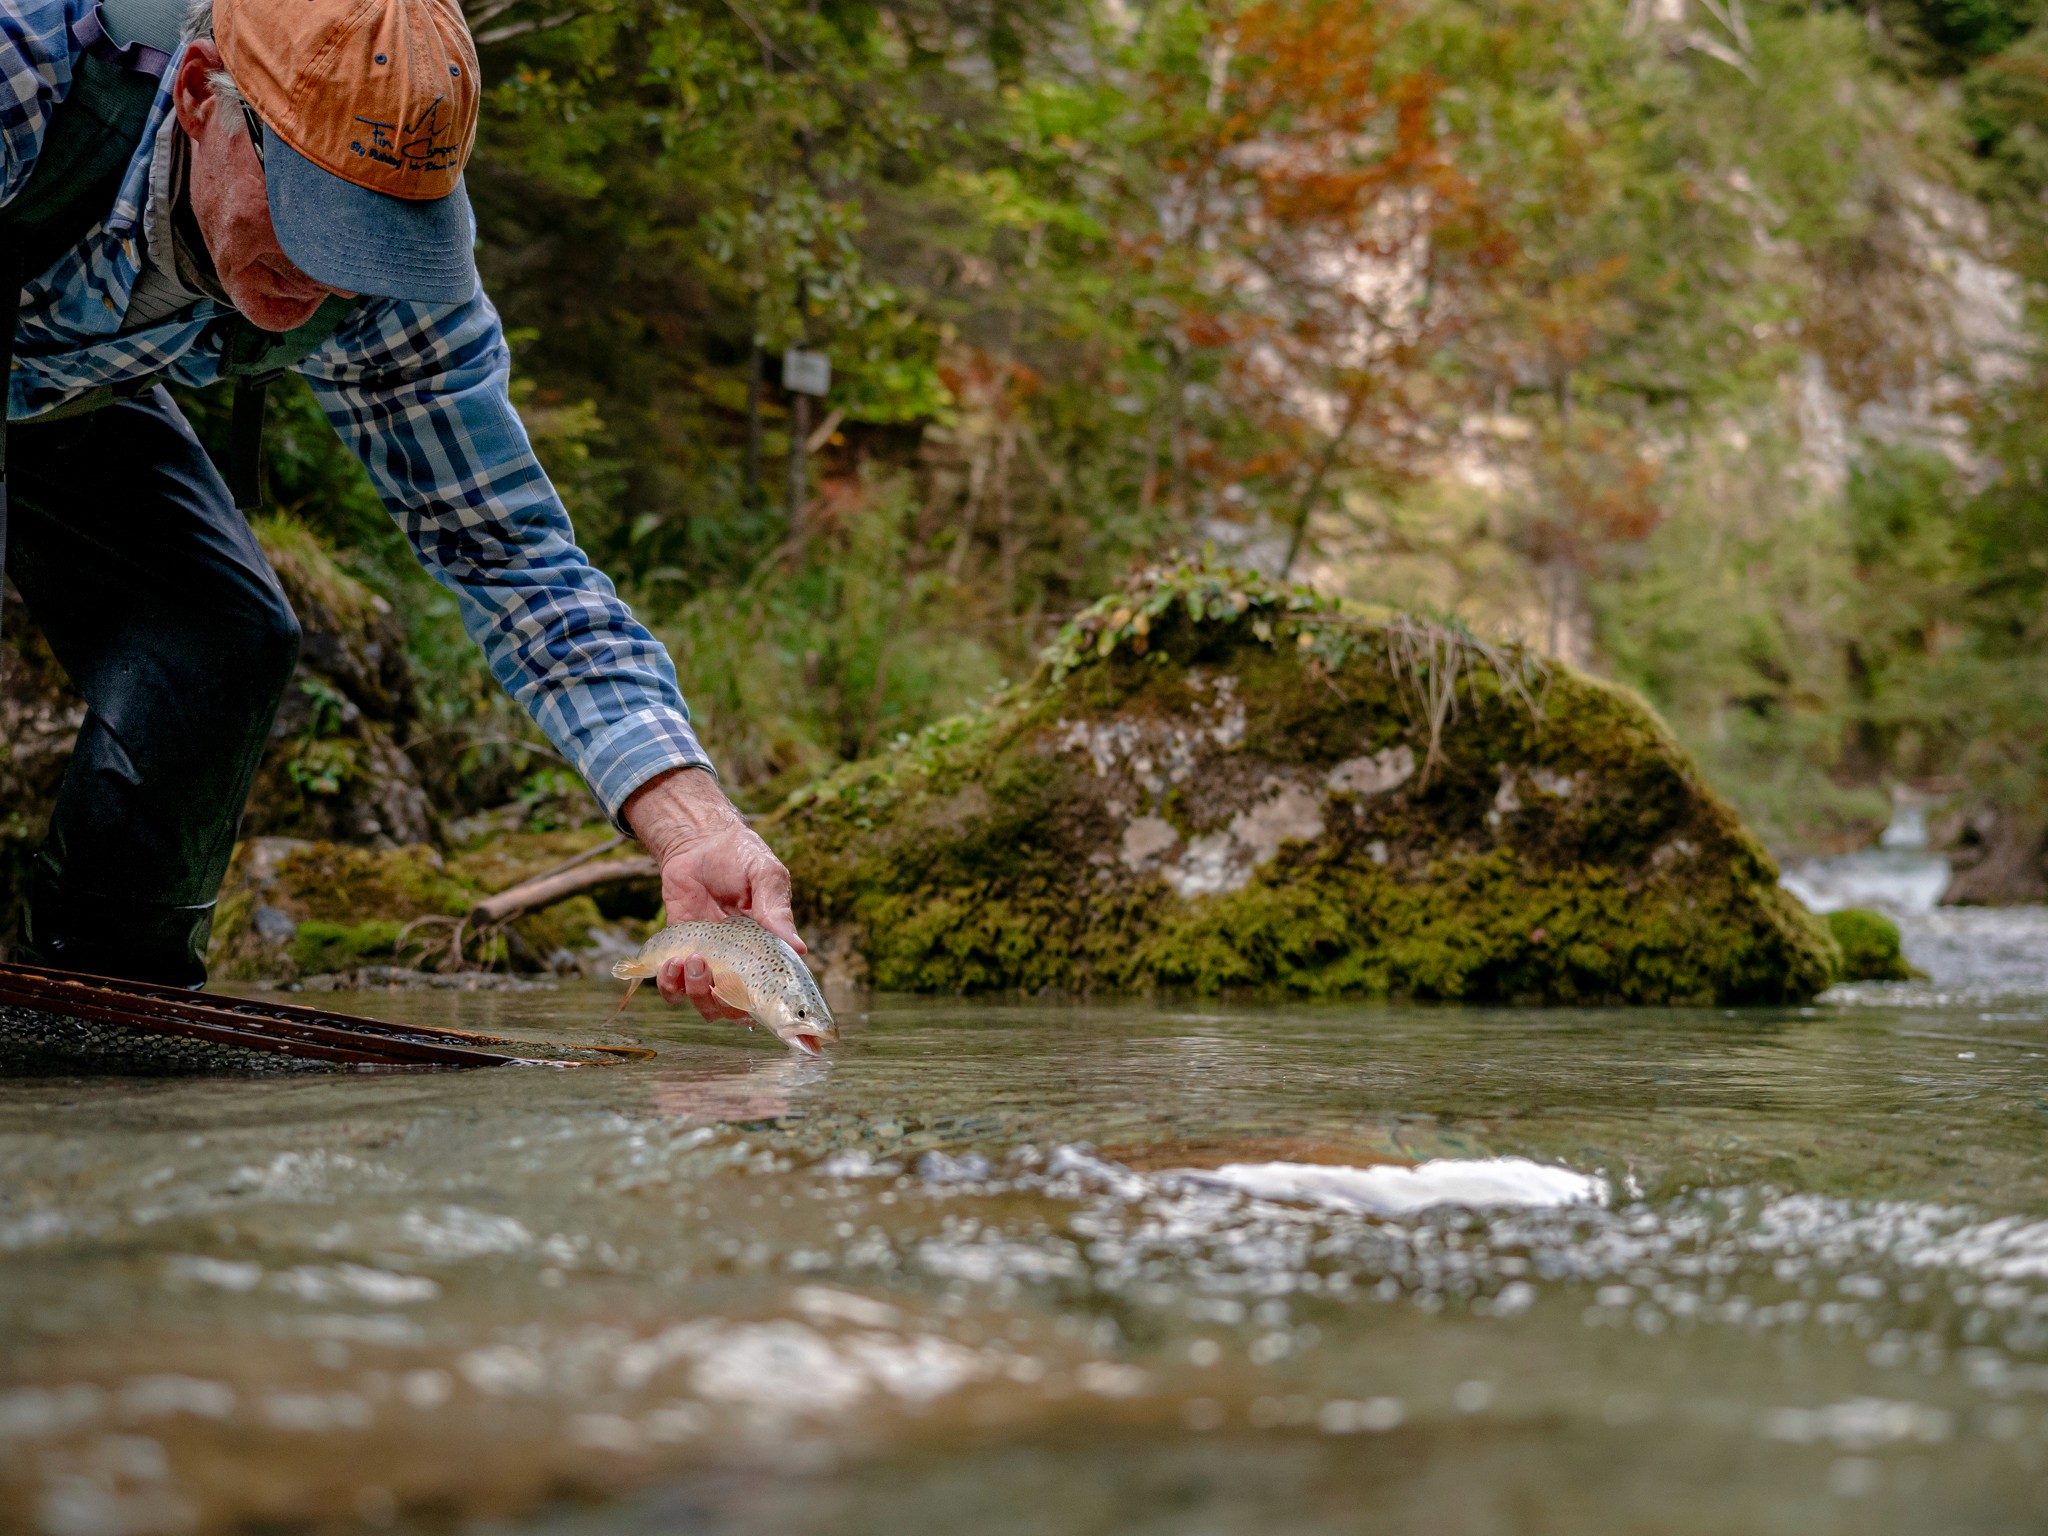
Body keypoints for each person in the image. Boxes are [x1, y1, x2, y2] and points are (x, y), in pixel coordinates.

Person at [1, 0, 785, 1020]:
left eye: (370, 242)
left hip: (65, 394)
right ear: (200, 95)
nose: (329, 279)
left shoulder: (383, 285)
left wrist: (689, 822)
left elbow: (508, 555)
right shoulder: (28, 71)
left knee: (223, 641)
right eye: (315, 216)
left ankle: (96, 1010)